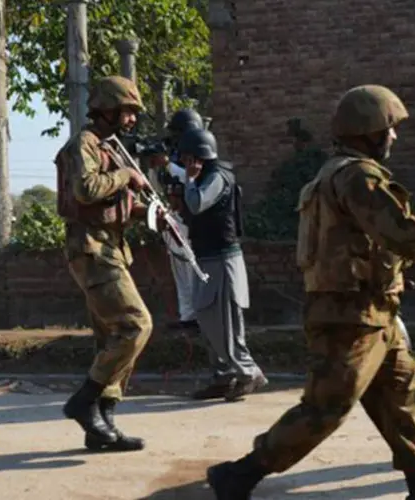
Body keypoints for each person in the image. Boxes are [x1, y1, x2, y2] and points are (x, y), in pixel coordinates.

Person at [206, 84, 415, 500]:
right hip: (347, 315)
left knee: (404, 397)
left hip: (372, 310)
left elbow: (375, 244)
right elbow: (403, 231)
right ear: (367, 130)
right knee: (325, 408)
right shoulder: (357, 176)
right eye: (389, 128)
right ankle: (239, 475)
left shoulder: (334, 174)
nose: (394, 136)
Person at [55, 75, 159, 453]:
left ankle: (103, 423)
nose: (131, 120)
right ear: (107, 107)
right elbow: (86, 189)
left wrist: (152, 215)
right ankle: (84, 401)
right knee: (136, 325)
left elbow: (115, 206)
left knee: (111, 337)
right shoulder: (83, 145)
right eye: (127, 111)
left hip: (110, 247)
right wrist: (126, 176)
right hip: (91, 249)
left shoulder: (109, 148)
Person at [178, 127, 267, 402]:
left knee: (226, 323)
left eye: (186, 156)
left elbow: (196, 204)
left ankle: (249, 372)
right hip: (207, 258)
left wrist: (190, 181)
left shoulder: (216, 177)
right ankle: (224, 376)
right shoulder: (207, 175)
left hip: (222, 260)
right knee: (206, 319)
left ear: (197, 156)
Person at [148, 108, 204, 331]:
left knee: (192, 267)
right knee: (179, 268)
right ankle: (187, 315)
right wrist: (156, 168)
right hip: (174, 216)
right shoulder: (173, 154)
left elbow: (193, 179)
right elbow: (156, 185)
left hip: (192, 220)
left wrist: (168, 165)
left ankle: (199, 316)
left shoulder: (200, 154)